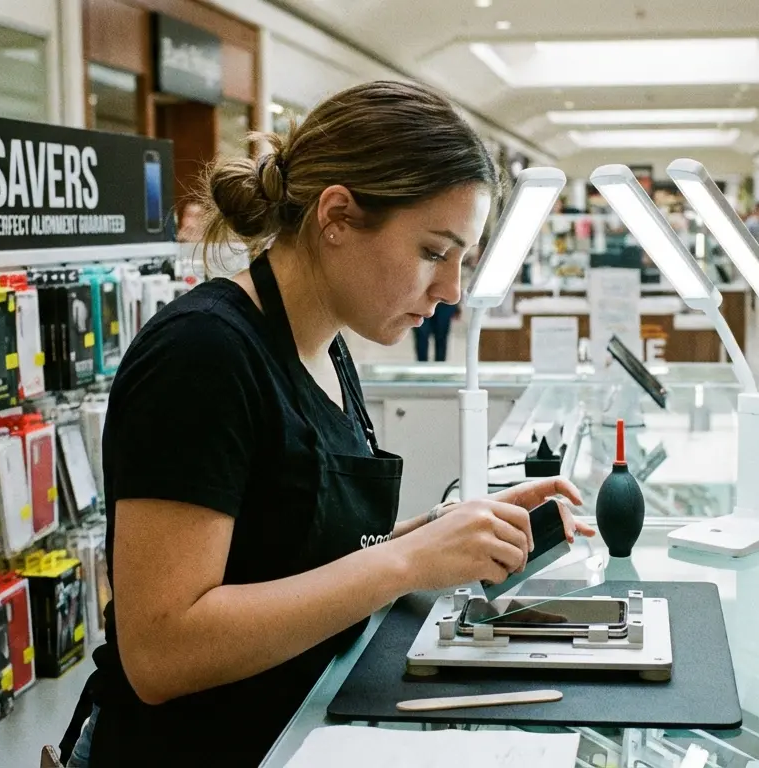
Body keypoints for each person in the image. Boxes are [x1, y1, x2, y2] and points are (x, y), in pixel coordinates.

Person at [61, 80, 596, 767]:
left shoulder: (325, 346)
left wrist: (443, 534)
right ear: (337, 214)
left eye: (461, 259)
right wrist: (404, 561)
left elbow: (299, 556)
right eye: (435, 252)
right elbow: (162, 651)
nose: (452, 290)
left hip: (294, 733)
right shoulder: (202, 356)